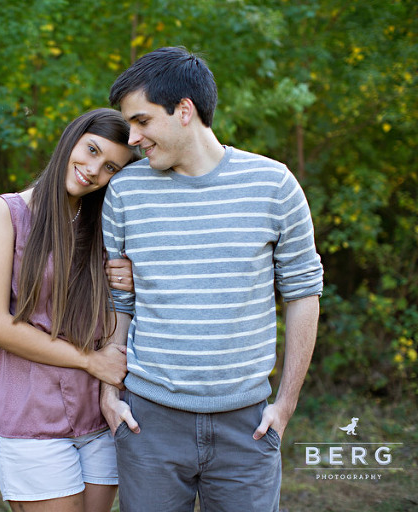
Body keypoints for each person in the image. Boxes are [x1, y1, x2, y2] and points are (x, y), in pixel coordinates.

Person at [100, 47, 324, 511]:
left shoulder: (274, 185)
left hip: (247, 427)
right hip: (149, 425)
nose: (134, 138)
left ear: (184, 110)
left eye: (142, 121)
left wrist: (284, 407)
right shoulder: (125, 191)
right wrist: (109, 395)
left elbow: (303, 293)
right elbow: (119, 301)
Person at [0, 108, 140, 512]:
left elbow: (120, 306)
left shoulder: (104, 225)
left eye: (111, 167)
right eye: (92, 150)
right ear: (73, 137)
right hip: (33, 417)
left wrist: (133, 279)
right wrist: (91, 362)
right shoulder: (7, 214)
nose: (93, 169)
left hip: (100, 414)